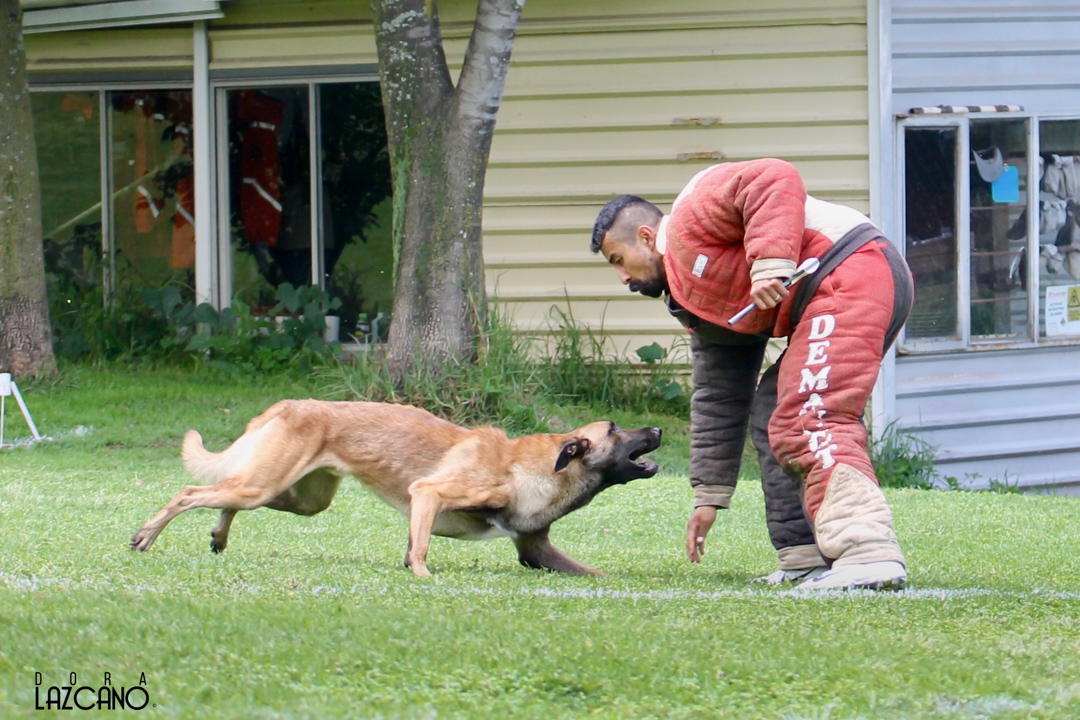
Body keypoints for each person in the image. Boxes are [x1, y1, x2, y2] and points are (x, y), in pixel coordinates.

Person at [590, 158, 913, 590]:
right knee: (773, 411)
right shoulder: (691, 297)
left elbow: (773, 176)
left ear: (647, 237)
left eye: (619, 259)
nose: (621, 277)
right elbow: (718, 396)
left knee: (809, 415)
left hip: (852, 269)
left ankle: (867, 553)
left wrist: (770, 264)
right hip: (846, 281)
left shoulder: (691, 209)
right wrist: (709, 495)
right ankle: (804, 556)